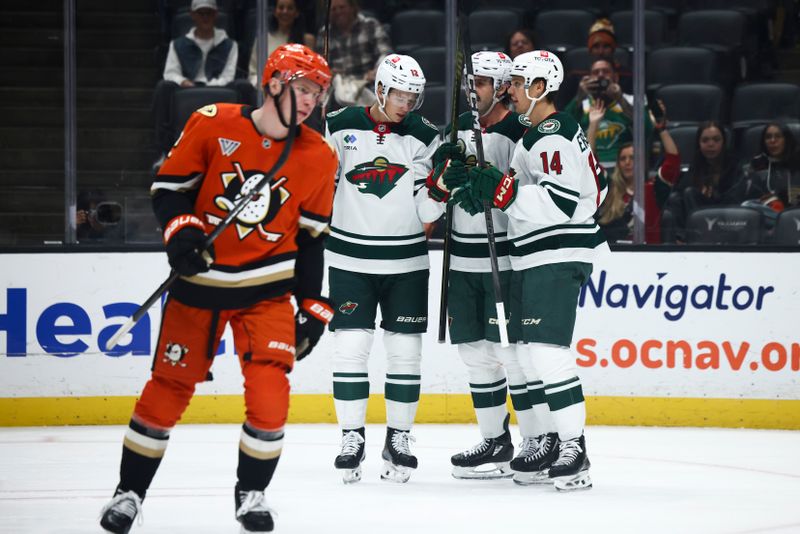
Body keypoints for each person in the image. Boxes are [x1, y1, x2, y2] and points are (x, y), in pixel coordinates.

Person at [99, 44, 337, 534]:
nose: (312, 100)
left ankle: (252, 494)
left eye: (317, 91)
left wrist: (311, 303)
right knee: (166, 392)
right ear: (273, 83)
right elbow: (169, 190)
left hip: (266, 289)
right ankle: (129, 493)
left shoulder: (319, 155)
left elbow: (311, 239)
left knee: (271, 397)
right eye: (303, 88)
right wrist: (183, 233)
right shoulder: (213, 122)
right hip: (200, 286)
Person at [451, 50, 609, 491]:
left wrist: (501, 192)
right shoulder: (540, 134)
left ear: (540, 88)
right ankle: (549, 444)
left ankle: (573, 447)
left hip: (555, 254)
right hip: (535, 254)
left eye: (518, 83)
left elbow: (557, 202)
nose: (511, 90)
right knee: (523, 354)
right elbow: (598, 188)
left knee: (546, 353)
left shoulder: (553, 132)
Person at [425, 51, 554, 483]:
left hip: (506, 253)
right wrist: (443, 176)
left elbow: (532, 193)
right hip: (462, 255)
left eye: (480, 83)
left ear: (502, 86)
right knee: (475, 355)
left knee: (514, 355)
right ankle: (496, 442)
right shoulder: (457, 128)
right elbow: (434, 192)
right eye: (469, 82)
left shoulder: (522, 131)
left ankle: (539, 442)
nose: (471, 91)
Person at [324, 52, 441, 484]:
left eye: (414, 96)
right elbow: (318, 182)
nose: (407, 104)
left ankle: (400, 438)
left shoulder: (426, 137)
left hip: (407, 260)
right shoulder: (339, 124)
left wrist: (443, 186)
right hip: (349, 258)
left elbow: (426, 207)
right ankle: (351, 437)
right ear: (380, 89)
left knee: (405, 353)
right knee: (350, 348)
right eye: (400, 95)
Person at [152, 0, 240, 163]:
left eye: (208, 13)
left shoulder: (229, 45)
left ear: (215, 15)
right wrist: (183, 81)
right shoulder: (178, 44)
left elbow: (228, 76)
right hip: (187, 88)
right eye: (201, 13)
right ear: (193, 16)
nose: (205, 17)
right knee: (163, 87)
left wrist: (209, 86)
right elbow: (170, 73)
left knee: (243, 87)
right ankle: (164, 152)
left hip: (218, 87)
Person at [591, 100, 681, 244]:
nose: (627, 162)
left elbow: (673, 161)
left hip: (648, 257)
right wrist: (593, 125)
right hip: (614, 256)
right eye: (623, 159)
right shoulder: (610, 189)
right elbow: (590, 162)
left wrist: (661, 128)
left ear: (641, 162)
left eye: (632, 158)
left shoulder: (653, 190)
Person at [564, 56, 652, 169]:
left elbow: (647, 129)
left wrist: (620, 99)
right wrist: (579, 97)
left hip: (623, 169)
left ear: (615, 77)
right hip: (590, 167)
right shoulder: (581, 104)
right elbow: (564, 132)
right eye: (596, 72)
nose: (600, 75)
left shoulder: (630, 101)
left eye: (606, 71)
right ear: (589, 78)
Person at [316, 0, 391, 108]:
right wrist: (328, 72)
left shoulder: (370, 25)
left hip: (368, 82)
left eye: (342, 7)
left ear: (352, 7)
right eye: (333, 9)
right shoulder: (324, 33)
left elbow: (385, 53)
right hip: (337, 86)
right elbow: (320, 64)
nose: (338, 12)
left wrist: (377, 71)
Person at [248, 0, 315, 87]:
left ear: (296, 13)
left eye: (290, 8)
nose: (285, 11)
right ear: (275, 12)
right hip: (267, 92)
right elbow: (253, 74)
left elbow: (311, 74)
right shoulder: (263, 39)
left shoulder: (307, 40)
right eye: (281, 7)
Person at [737, 122, 800, 210]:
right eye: (768, 137)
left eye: (778, 136)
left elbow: (796, 197)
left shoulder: (797, 165)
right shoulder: (756, 166)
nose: (772, 141)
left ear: (787, 139)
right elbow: (743, 198)